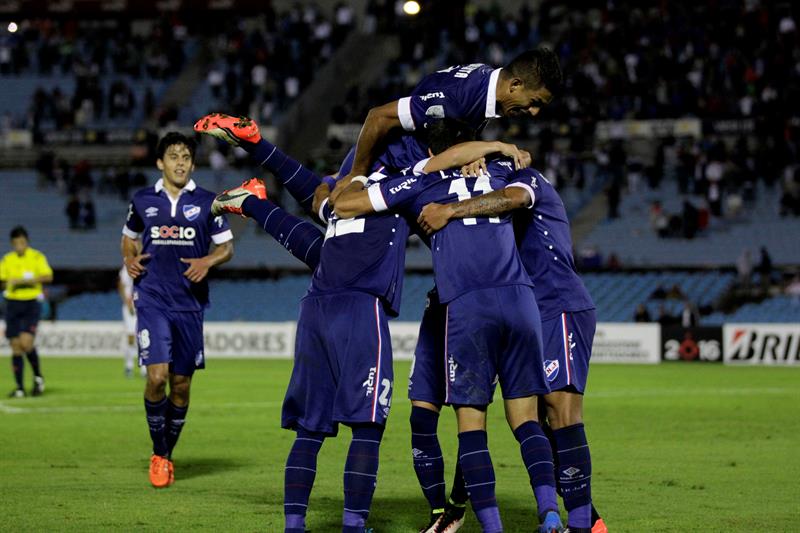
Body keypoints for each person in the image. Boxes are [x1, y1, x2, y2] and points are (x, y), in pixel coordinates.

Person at [210, 124, 530, 533]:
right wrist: (495, 147)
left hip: (316, 307)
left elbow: (310, 201)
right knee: (368, 426)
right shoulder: (401, 188)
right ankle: (353, 526)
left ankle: (294, 526)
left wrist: (260, 173)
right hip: (361, 309)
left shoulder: (343, 191)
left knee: (309, 431)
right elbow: (444, 160)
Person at [335, 154, 564, 533]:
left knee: (471, 426)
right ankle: (550, 515)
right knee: (527, 420)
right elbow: (520, 194)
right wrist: (494, 148)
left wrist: (348, 180)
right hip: (521, 299)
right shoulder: (500, 167)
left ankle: (491, 528)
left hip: (468, 303)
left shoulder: (419, 183)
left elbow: (346, 206)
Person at [416, 166, 605, 533]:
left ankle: (585, 523)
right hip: (526, 308)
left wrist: (452, 208)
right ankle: (571, 516)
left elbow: (515, 197)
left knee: (561, 413)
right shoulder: (492, 212)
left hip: (557, 303)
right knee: (514, 414)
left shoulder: (526, 179)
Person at [120, 132, 234, 488]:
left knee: (180, 386)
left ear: (193, 164)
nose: (180, 162)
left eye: (186, 156)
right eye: (173, 156)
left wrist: (209, 260)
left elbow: (227, 247)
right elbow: (128, 236)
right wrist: (129, 258)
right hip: (152, 298)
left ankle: (166, 453)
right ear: (160, 163)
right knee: (156, 378)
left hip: (189, 304)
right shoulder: (142, 200)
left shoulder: (208, 202)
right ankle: (160, 454)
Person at [0, 226, 52, 398]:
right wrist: (9, 283)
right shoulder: (7, 260)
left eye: (22, 243)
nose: (19, 246)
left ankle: (38, 377)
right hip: (12, 303)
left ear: (27, 242)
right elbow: (2, 281)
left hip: (31, 303)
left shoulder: (36, 257)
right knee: (15, 346)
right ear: (12, 244)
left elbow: (48, 276)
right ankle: (20, 388)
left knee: (26, 343)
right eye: (16, 243)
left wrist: (26, 280)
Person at [117, 266, 143, 378]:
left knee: (143, 336)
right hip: (130, 306)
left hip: (143, 305)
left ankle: (144, 368)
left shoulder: (145, 266)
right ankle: (129, 365)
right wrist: (127, 302)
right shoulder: (127, 267)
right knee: (131, 337)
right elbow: (121, 285)